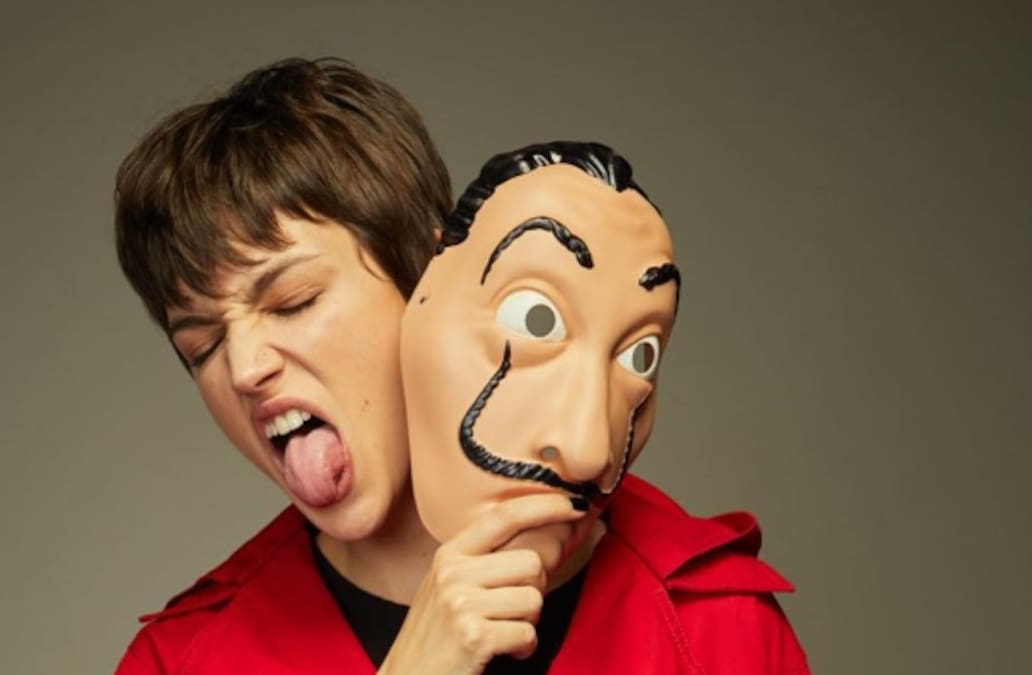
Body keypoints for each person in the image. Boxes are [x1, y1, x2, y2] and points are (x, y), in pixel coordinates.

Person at [112, 59, 587, 674]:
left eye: (294, 301)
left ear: (436, 282)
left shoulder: (699, 612)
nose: (244, 370)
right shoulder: (175, 663)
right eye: (203, 346)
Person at [396, 142, 811, 673]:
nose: (591, 451)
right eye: (536, 318)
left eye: (641, 356)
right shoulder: (279, 618)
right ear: (421, 285)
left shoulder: (727, 630)